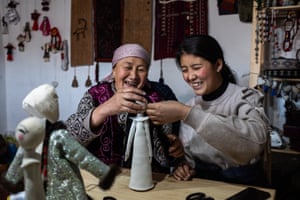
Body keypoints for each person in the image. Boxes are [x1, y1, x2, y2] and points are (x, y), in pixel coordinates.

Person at [146, 35, 271, 186]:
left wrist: (188, 114)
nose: (190, 76)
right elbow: (188, 158)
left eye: (197, 68)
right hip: (204, 185)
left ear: (218, 65)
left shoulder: (246, 98)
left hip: (244, 185)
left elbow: (255, 145)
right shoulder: (189, 105)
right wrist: (183, 166)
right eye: (185, 70)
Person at [65, 43, 184, 174]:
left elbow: (168, 152)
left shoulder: (159, 97)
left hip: (148, 178)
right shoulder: (95, 95)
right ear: (114, 70)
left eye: (141, 69)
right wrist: (104, 109)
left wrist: (173, 152)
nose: (133, 76)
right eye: (127, 67)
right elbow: (69, 141)